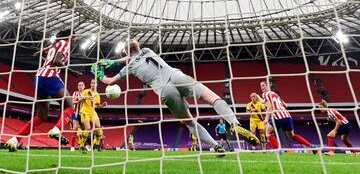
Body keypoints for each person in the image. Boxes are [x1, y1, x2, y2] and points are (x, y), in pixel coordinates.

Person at [92, 39, 260, 156]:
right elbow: (131, 55)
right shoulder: (147, 51)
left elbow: (109, 80)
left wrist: (99, 72)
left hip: (165, 91)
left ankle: (216, 147)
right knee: (212, 97)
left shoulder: (129, 67)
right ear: (137, 48)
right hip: (177, 76)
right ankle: (235, 124)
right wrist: (114, 61)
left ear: (126, 52)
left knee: (190, 122)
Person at [5, 29, 81, 152]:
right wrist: (72, 72)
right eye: (74, 38)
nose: (74, 41)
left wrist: (47, 57)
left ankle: (15, 139)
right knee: (70, 106)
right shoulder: (64, 44)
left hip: (39, 77)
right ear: (70, 37)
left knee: (41, 116)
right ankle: (57, 130)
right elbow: (57, 61)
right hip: (50, 77)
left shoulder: (54, 45)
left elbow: (36, 54)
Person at [260, 81, 316, 154]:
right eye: (261, 86)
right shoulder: (276, 95)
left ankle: (279, 150)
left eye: (263, 85)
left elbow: (270, 105)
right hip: (287, 116)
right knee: (292, 135)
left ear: (268, 86)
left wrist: (266, 118)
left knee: (267, 132)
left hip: (278, 117)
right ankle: (310, 146)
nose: (261, 87)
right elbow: (286, 105)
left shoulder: (265, 94)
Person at [78, 79, 107, 153]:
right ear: (90, 84)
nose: (93, 84)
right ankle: (81, 146)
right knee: (88, 128)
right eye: (92, 83)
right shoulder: (86, 91)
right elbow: (80, 100)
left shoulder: (97, 95)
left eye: (95, 83)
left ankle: (96, 145)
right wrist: (86, 97)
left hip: (92, 112)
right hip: (84, 111)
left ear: (97, 85)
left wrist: (102, 105)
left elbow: (97, 106)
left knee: (98, 128)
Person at [70, 81, 85, 151]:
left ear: (84, 86)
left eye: (81, 85)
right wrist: (79, 101)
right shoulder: (75, 93)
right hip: (75, 113)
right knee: (75, 128)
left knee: (84, 130)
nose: (80, 86)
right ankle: (72, 146)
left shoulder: (86, 93)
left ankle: (83, 145)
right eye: (79, 85)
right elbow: (72, 101)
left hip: (83, 114)